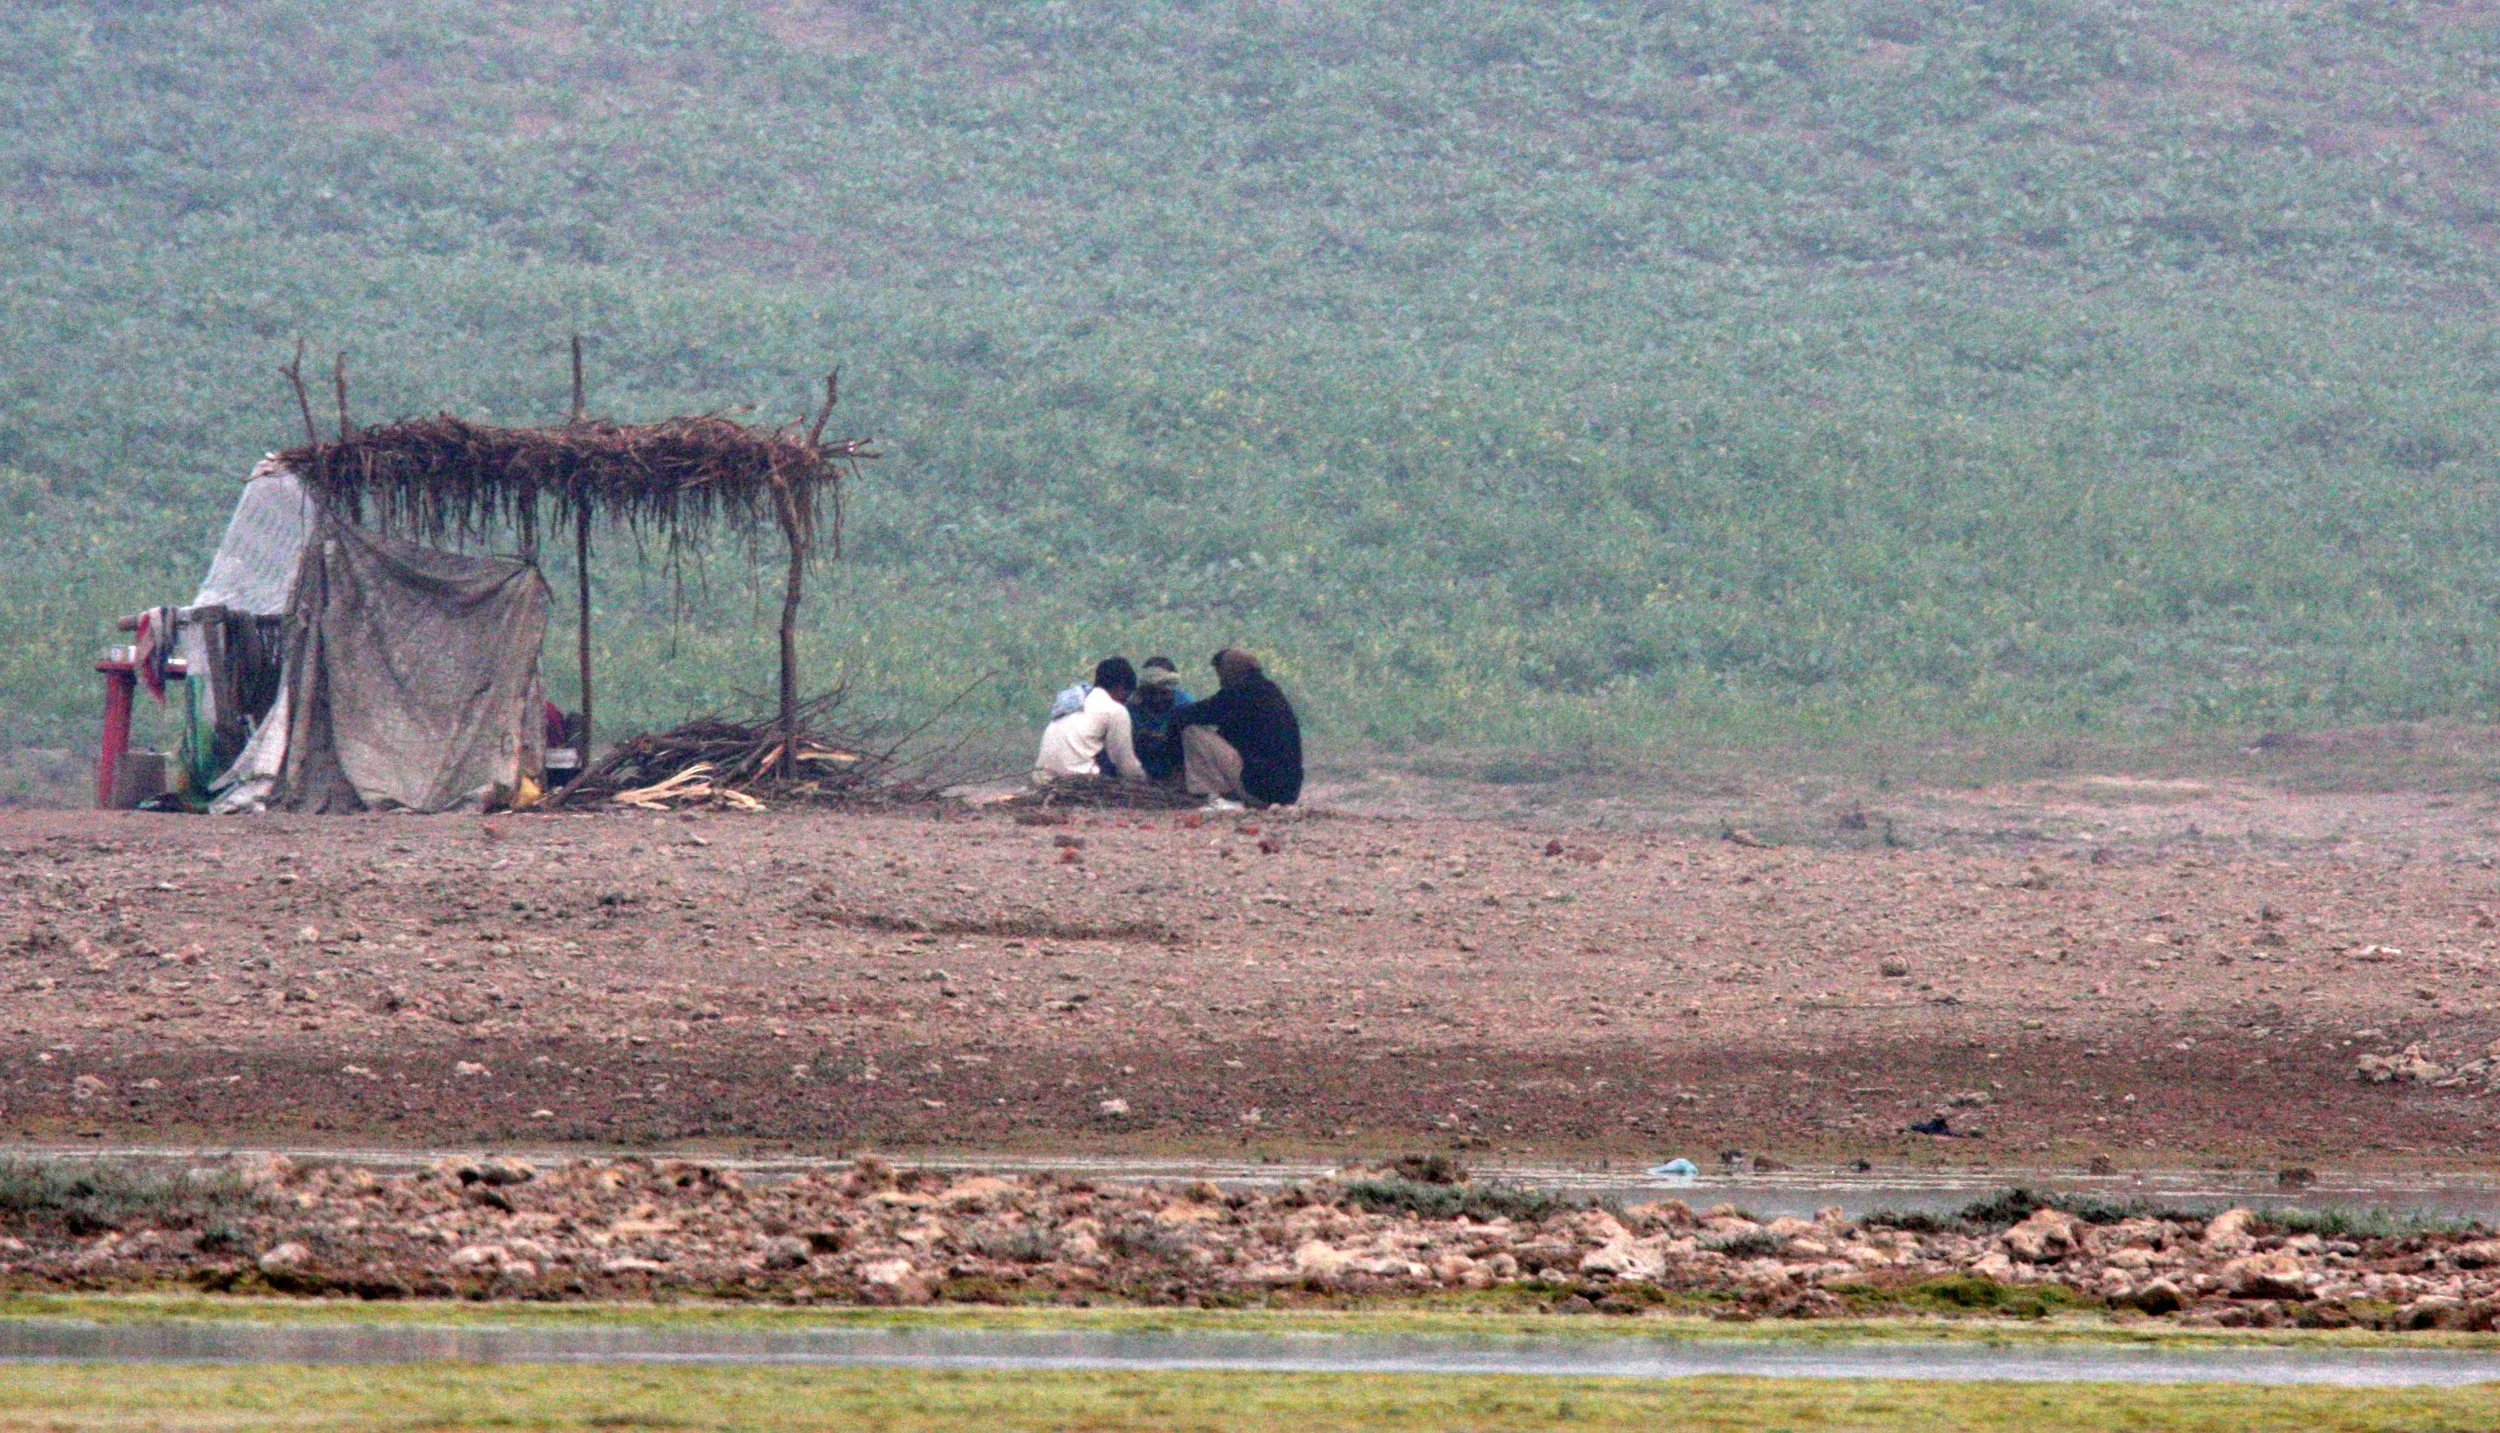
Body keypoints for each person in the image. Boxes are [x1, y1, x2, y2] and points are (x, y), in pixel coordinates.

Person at [1169, 648, 1302, 810]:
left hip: (1258, 788)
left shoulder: (1240, 692)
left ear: (1229, 671)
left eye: (1220, 674)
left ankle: (1213, 796)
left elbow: (1189, 715)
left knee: (1192, 732)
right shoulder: (1269, 691)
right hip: (1288, 793)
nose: (1220, 681)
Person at [1033, 657, 1146, 785]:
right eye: (1127, 694)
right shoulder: (1115, 710)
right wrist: (1143, 780)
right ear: (1120, 687)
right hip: (1080, 783)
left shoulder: (1074, 701)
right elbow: (1126, 766)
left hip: (1043, 780)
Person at [1127, 656, 1194, 785]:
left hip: (1178, 776)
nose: (1157, 699)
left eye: (1163, 693)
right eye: (1151, 693)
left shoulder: (1185, 706)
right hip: (1141, 776)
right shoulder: (1132, 707)